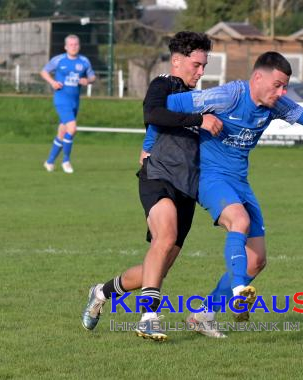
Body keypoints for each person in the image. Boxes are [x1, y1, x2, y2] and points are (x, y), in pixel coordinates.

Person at [159, 51, 303, 338]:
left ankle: (204, 314)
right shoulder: (227, 96)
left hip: (239, 181)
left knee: (257, 260)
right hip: (209, 177)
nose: (282, 91)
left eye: (285, 86)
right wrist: (157, 140)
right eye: (278, 85)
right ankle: (240, 291)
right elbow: (166, 104)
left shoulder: (277, 105)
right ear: (257, 78)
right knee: (239, 220)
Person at [80, 32, 222, 342]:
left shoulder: (201, 97)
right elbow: (152, 113)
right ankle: (149, 317)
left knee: (154, 270)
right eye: (196, 65)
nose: (200, 72)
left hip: (188, 186)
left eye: (204, 66)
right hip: (157, 175)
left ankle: (102, 292)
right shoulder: (164, 85)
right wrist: (199, 120)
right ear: (177, 61)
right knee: (166, 236)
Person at [41, 34, 96, 174]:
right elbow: (44, 72)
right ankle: (66, 161)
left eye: (76, 44)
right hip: (61, 100)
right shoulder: (59, 60)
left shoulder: (84, 61)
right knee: (72, 129)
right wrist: (53, 82)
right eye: (71, 45)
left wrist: (87, 81)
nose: (73, 47)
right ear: (66, 46)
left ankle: (49, 161)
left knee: (62, 133)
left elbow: (92, 76)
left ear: (79, 46)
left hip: (75, 101)